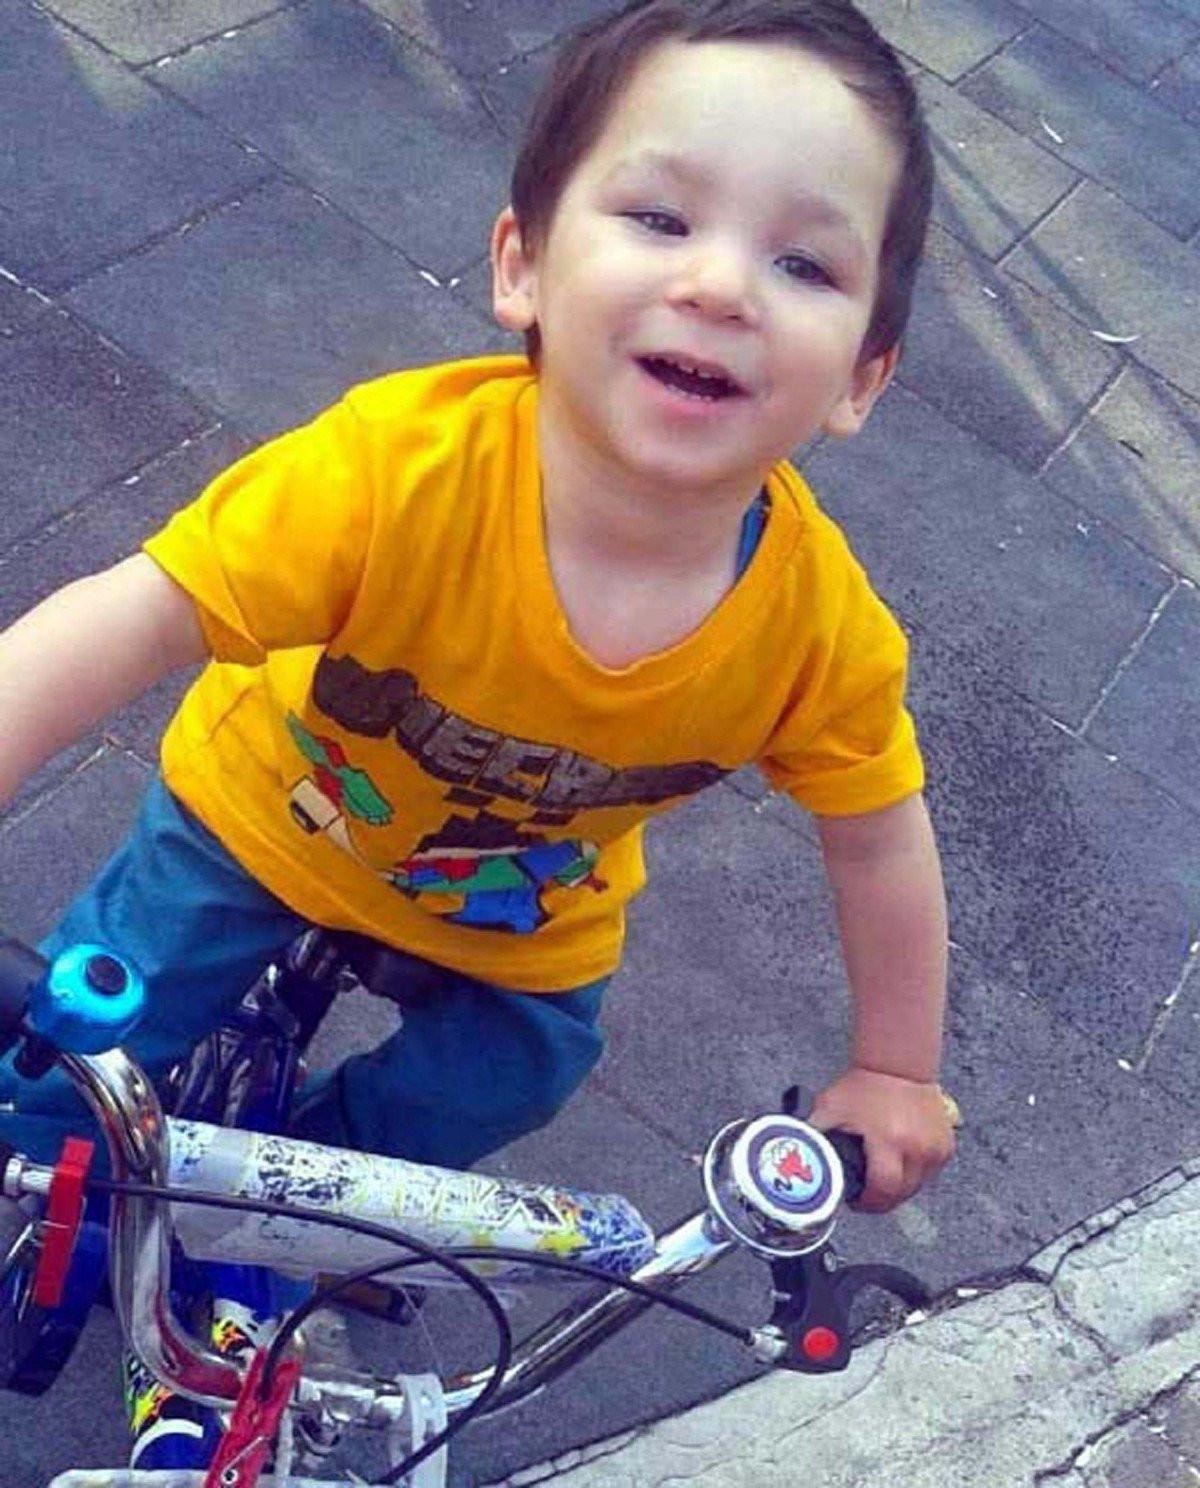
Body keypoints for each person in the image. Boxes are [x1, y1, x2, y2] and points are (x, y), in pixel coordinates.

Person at [0, 0, 955, 1213]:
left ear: (862, 378)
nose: (720, 284)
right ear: (524, 267)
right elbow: (130, 617)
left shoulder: (819, 633)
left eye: (805, 264)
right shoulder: (392, 475)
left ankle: (302, 1193)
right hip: (267, 814)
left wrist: (894, 1068)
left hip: (516, 920)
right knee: (83, 1043)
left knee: (516, 1069)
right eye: (661, 219)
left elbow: (877, 835)